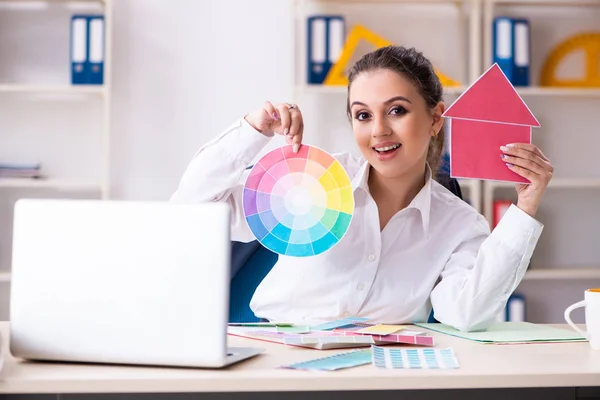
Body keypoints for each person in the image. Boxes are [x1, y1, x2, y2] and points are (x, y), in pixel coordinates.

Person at [170, 45, 553, 332]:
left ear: (436, 118)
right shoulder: (312, 180)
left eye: (397, 110)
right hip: (281, 364)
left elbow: (465, 312)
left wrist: (525, 207)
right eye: (363, 115)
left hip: (383, 374)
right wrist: (253, 130)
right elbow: (193, 211)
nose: (379, 131)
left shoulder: (459, 224)